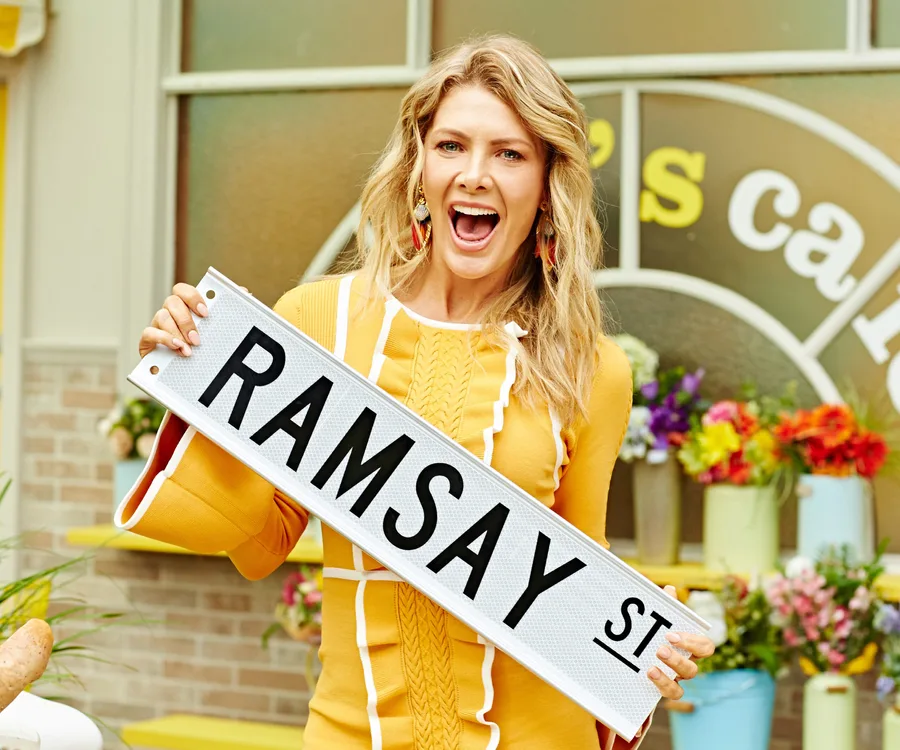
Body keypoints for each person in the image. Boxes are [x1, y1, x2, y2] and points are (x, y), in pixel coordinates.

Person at [121, 34, 714, 750]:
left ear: (547, 187)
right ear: (418, 168)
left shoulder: (588, 366)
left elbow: (572, 563)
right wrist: (198, 383)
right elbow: (262, 541)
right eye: (451, 146)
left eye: (509, 153)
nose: (474, 174)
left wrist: (643, 635)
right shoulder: (318, 320)